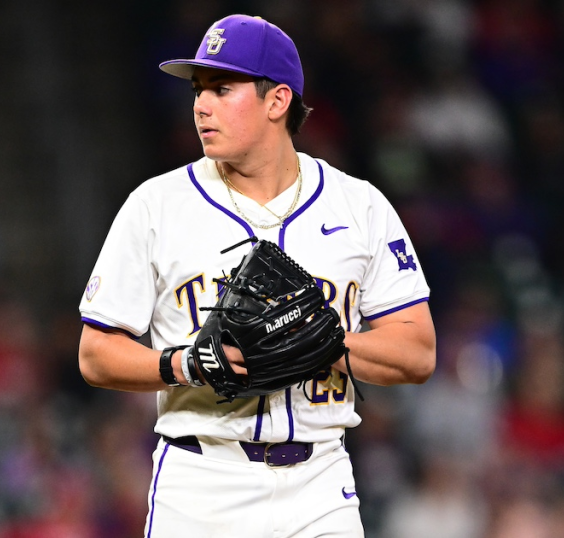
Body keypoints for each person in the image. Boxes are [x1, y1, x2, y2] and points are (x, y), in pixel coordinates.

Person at [78, 14, 435, 537]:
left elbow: (418, 353)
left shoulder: (360, 206)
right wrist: (184, 364)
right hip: (201, 482)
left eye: (222, 89)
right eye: (198, 90)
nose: (201, 105)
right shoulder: (155, 206)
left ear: (277, 101)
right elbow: (95, 354)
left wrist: (322, 346)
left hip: (319, 483)